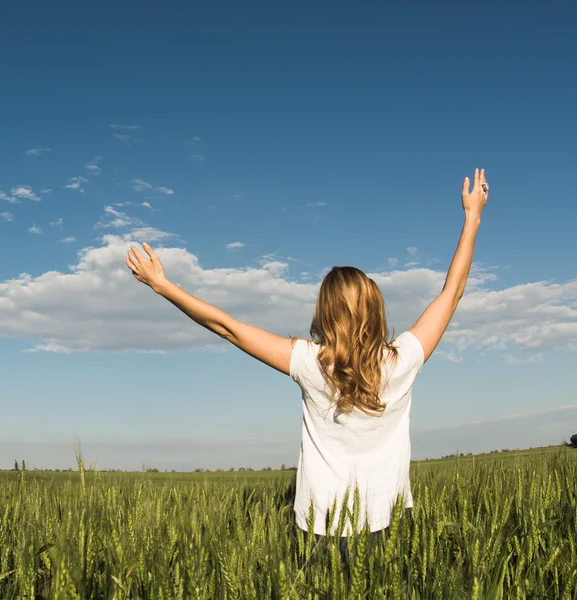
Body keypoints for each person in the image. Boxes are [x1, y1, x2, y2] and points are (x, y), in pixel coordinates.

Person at [125, 167, 489, 557]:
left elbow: (228, 327)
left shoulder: (310, 363)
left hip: (321, 529)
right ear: (376, 308)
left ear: (325, 314)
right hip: (388, 523)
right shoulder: (404, 360)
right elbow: (452, 294)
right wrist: (472, 218)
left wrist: (162, 285)